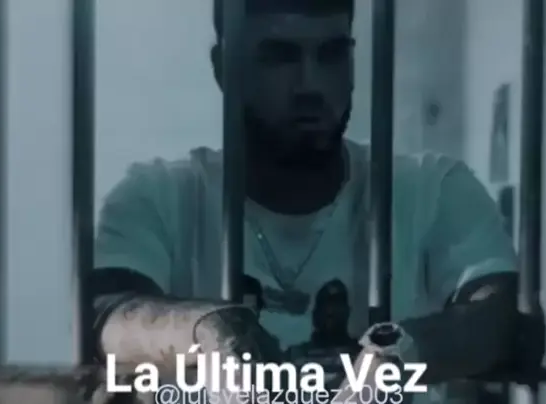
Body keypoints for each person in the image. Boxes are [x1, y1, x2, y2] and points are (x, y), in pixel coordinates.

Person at [89, 0, 521, 402]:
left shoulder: (434, 189)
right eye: (280, 57)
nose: (310, 85)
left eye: (332, 55)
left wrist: (400, 353)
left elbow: (499, 316)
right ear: (224, 68)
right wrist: (205, 333)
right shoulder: (159, 198)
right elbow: (108, 316)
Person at [286, 279, 362, 389]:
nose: (330, 311)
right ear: (315, 314)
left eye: (337, 306)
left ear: (347, 312)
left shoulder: (361, 356)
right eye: (325, 306)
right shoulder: (294, 356)